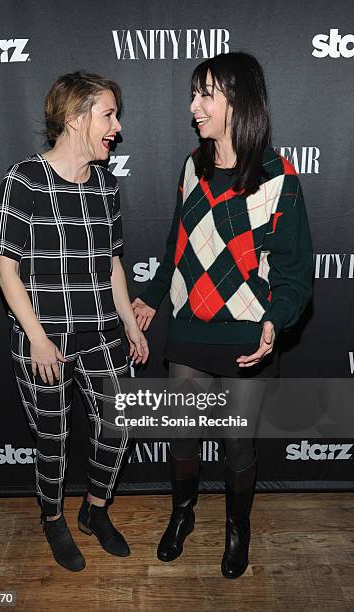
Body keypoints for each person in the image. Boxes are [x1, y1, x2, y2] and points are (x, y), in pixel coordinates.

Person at [132, 52, 313, 579]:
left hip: (245, 336)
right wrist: (152, 293)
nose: (193, 107)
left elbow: (296, 272)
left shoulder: (279, 178)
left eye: (205, 94)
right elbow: (177, 245)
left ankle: (238, 528)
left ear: (238, 101)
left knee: (237, 442)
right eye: (195, 94)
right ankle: (182, 513)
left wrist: (275, 321)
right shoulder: (193, 166)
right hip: (188, 329)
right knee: (183, 435)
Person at [0, 71, 148, 572]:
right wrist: (37, 339)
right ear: (77, 118)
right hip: (46, 341)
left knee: (115, 428)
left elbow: (112, 262)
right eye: (108, 115)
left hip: (101, 333)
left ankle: (95, 511)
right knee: (53, 438)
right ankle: (54, 518)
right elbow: (7, 269)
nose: (116, 127)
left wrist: (130, 323)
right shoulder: (24, 180)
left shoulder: (105, 183)